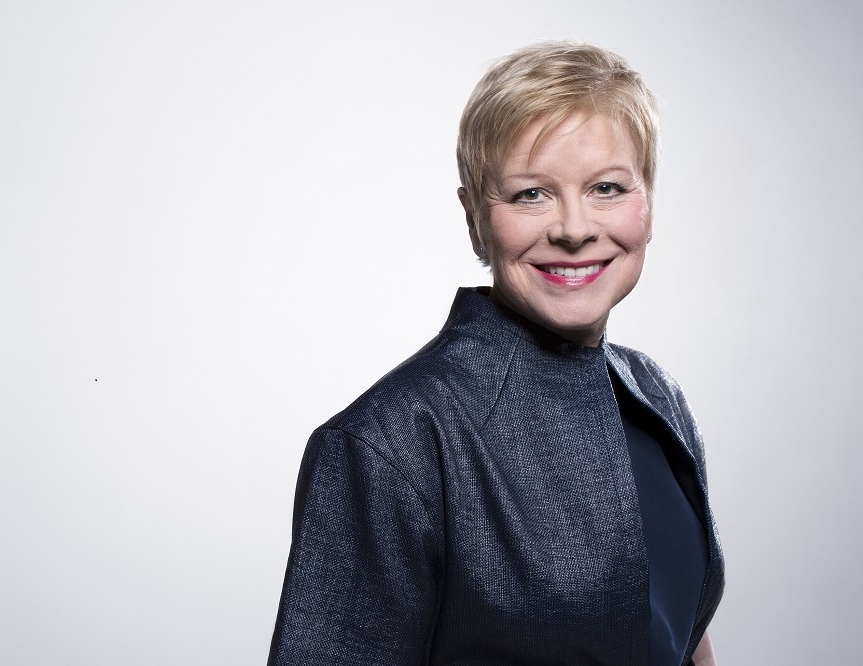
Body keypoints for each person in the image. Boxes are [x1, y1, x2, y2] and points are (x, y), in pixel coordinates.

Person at [268, 41, 724, 666]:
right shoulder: (389, 443)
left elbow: (677, 631)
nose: (573, 228)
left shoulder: (656, 396)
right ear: (474, 217)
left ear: (647, 203)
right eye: (530, 194)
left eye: (607, 188)